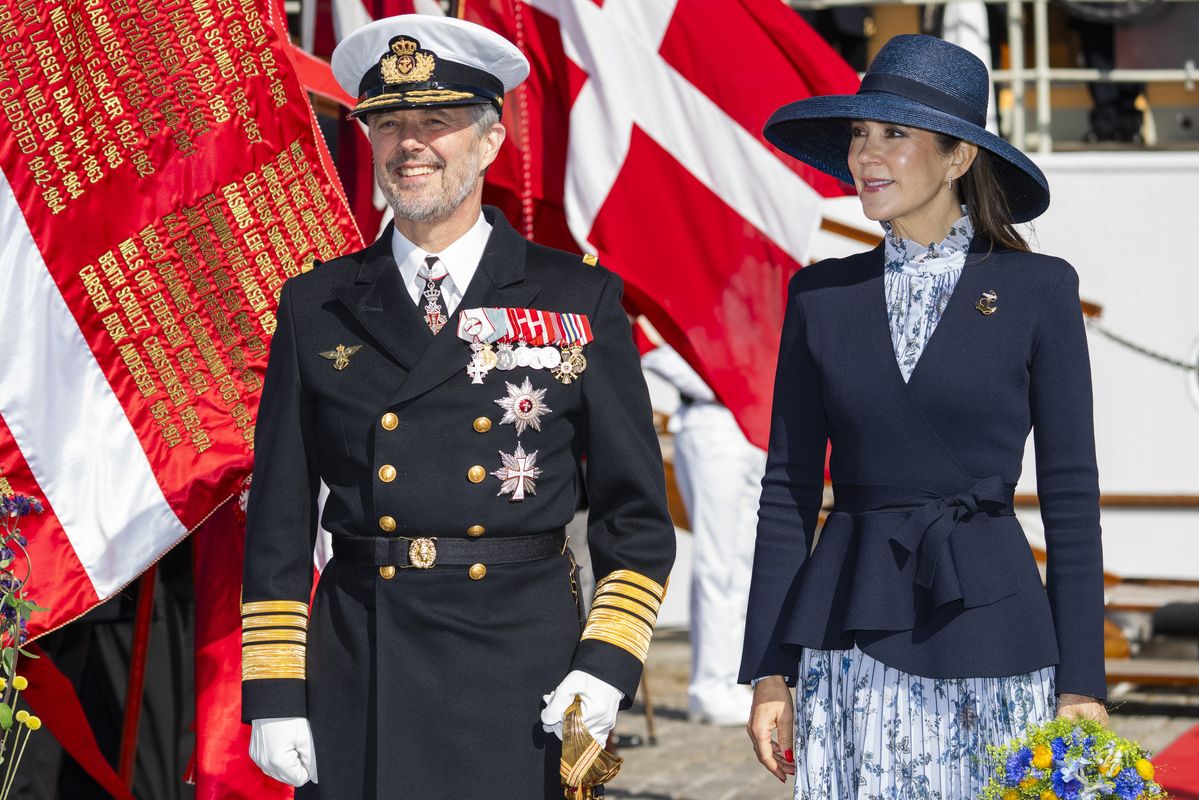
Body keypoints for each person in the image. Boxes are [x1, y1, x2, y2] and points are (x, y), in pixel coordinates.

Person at [239, 15, 675, 799]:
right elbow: (277, 516)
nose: (411, 144)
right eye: (389, 123)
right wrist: (274, 694)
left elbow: (634, 518)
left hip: (523, 666)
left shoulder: (577, 296)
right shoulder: (318, 304)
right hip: (364, 656)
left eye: (436, 121)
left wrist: (606, 665)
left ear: (489, 139)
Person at [740, 35, 1108, 797]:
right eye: (859, 134)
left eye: (895, 133)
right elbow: (787, 492)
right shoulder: (821, 296)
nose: (866, 155)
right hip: (849, 636)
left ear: (958, 159)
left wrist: (1083, 682)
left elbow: (1071, 498)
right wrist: (770, 672)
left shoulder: (1039, 290)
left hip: (995, 630)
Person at [641, 343, 765, 725]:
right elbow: (649, 346)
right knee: (718, 561)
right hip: (710, 419)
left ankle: (733, 677)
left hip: (754, 420)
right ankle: (710, 687)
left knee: (745, 561)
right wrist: (718, 383)